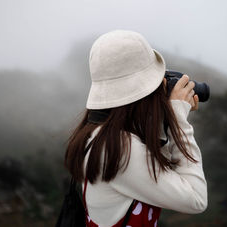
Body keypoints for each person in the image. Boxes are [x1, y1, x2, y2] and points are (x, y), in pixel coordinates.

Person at [65, 30, 207, 227]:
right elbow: (196, 198)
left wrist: (166, 118)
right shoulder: (122, 148)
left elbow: (163, 173)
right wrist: (179, 120)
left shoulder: (99, 135)